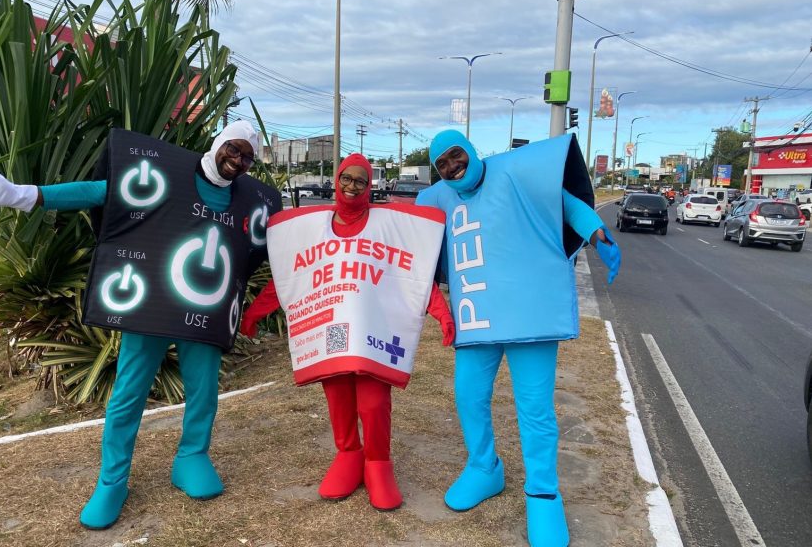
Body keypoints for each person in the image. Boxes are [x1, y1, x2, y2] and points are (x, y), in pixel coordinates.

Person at [0, 121, 280, 530]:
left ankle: (192, 456)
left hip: (207, 307)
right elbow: (103, 192)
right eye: (233, 149)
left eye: (247, 156)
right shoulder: (164, 172)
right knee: (129, 391)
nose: (237, 160)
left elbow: (282, 235)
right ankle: (113, 480)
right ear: (218, 143)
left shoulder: (252, 201)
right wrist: (26, 195)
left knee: (203, 389)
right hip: (151, 305)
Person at [416, 130, 620, 547]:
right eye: (443, 164)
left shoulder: (515, 172)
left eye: (457, 156)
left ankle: (542, 493)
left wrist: (599, 235)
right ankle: (484, 467)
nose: (453, 167)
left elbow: (562, 204)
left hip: (531, 317)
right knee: (468, 395)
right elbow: (411, 240)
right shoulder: (436, 199)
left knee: (535, 409)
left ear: (470, 150)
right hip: (478, 316)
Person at [241, 153, 455, 511]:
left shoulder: (388, 226)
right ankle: (348, 454)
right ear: (336, 180)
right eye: (346, 178)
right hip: (330, 332)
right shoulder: (312, 227)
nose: (352, 186)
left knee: (372, 403)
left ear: (369, 186)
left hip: (373, 333)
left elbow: (413, 274)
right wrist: (255, 313)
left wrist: (441, 313)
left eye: (360, 180)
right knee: (338, 399)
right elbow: (291, 275)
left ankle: (377, 463)